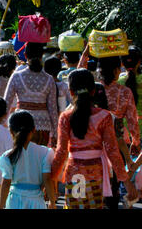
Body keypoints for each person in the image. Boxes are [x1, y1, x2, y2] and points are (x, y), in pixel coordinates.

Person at [51, 69, 138, 209]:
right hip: (96, 174)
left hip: (74, 173)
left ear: (71, 92)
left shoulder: (65, 117)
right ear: (93, 91)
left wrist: (51, 179)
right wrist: (126, 182)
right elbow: (113, 151)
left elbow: (61, 152)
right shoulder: (104, 116)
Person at [0, 110, 56, 209]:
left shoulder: (8, 156)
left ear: (11, 131)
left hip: (14, 201)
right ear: (33, 130)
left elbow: (6, 183)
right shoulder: (45, 153)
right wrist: (52, 202)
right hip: (36, 201)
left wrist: (0, 207)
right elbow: (47, 179)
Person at [4, 42, 58, 147]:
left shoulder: (16, 76)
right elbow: (53, 109)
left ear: (25, 55)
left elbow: (6, 103)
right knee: (39, 160)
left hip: (20, 125)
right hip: (44, 127)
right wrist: (55, 133)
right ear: (42, 55)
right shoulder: (49, 79)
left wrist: (1, 126)